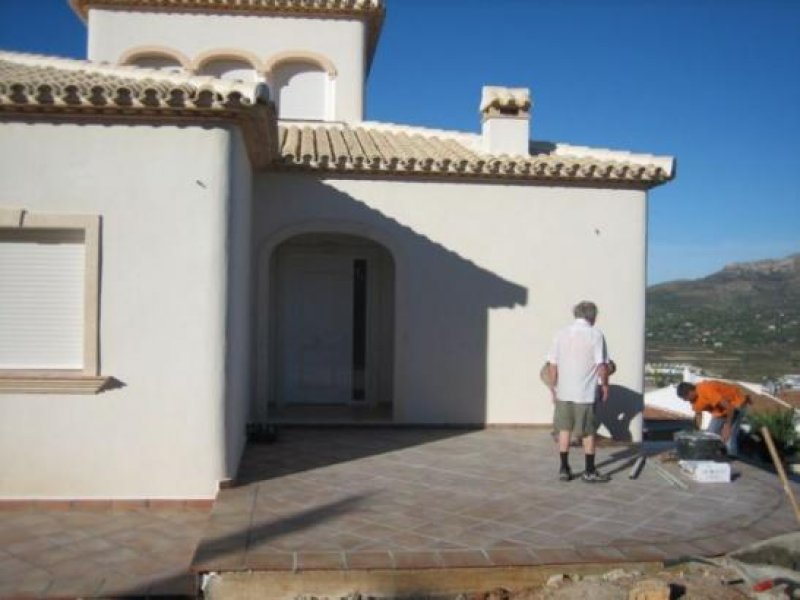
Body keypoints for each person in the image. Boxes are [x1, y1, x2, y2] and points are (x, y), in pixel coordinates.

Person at [546, 301, 611, 482]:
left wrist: (553, 388)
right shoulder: (596, 335)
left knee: (564, 430)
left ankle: (564, 469)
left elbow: (553, 365)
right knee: (589, 432)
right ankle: (589, 471)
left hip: (563, 392)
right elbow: (602, 365)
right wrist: (605, 385)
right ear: (592, 316)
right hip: (585, 393)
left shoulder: (560, 333)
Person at [676, 380, 750, 456]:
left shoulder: (706, 389)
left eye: (685, 398)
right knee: (710, 435)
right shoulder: (693, 400)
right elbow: (698, 414)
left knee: (728, 438)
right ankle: (713, 456)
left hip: (736, 404)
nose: (686, 401)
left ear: (690, 391)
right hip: (720, 411)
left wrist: (727, 427)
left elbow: (730, 408)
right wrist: (697, 431)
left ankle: (731, 459)